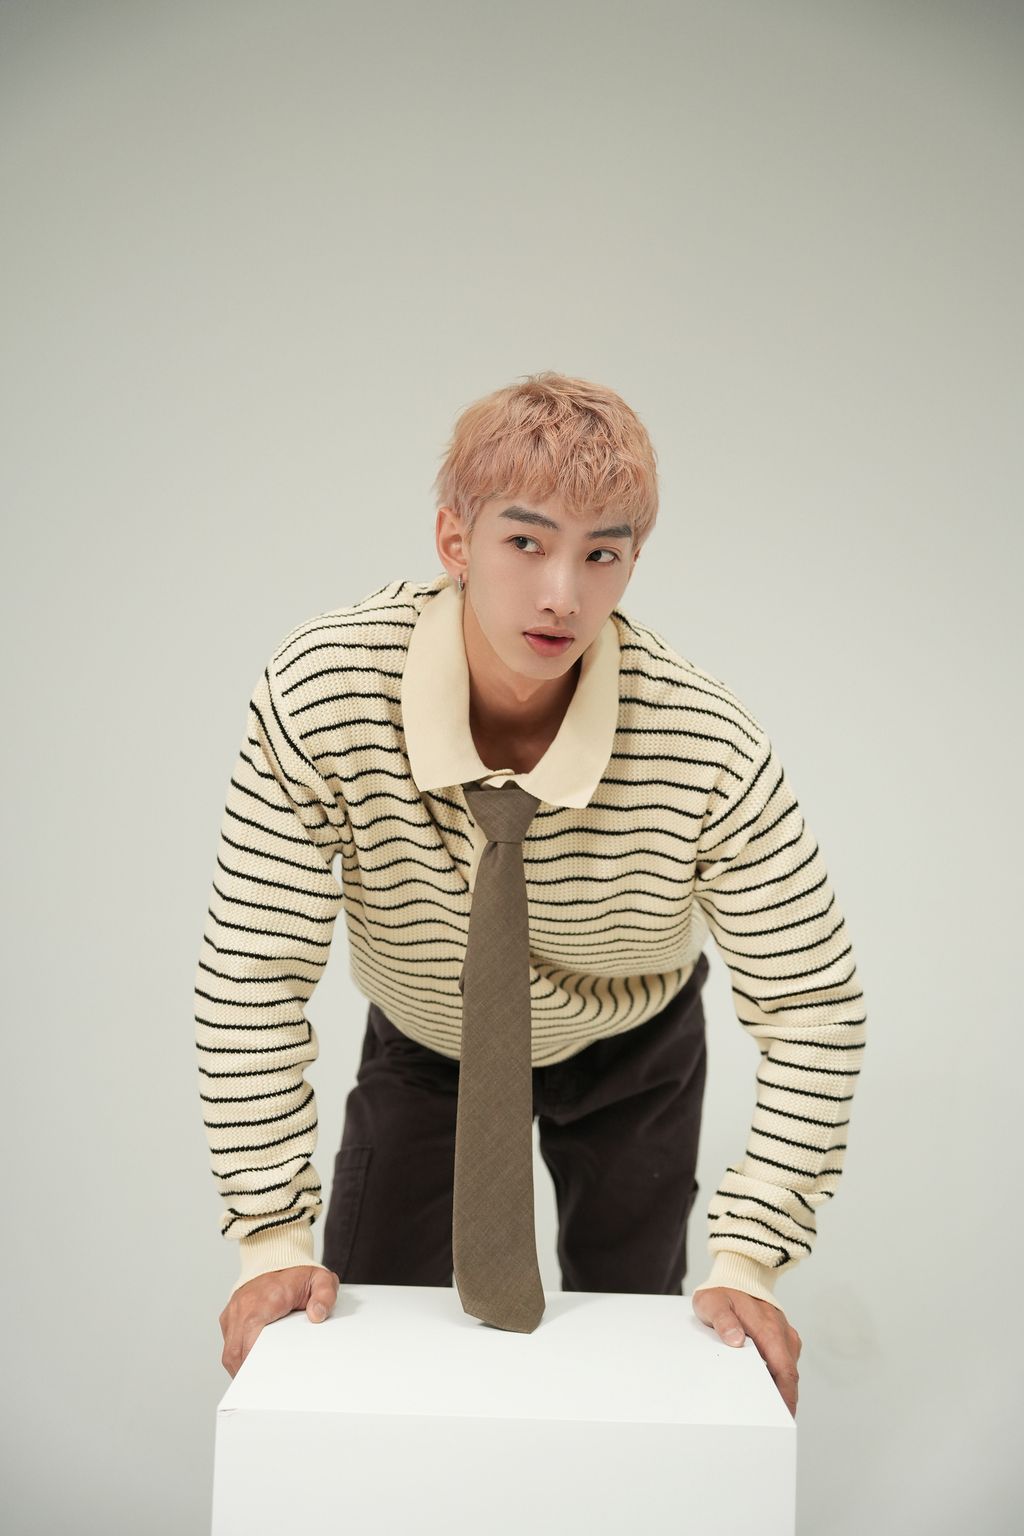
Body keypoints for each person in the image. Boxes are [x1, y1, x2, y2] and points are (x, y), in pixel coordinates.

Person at [195, 371, 866, 1417]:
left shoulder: (707, 746)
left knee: (635, 1340)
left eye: (601, 553)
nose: (563, 594)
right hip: (430, 1030)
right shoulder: (323, 694)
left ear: (633, 561)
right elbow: (254, 973)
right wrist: (269, 1240)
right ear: (454, 540)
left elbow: (814, 1004)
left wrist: (751, 1258)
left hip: (633, 1040)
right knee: (362, 1328)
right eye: (526, 541)